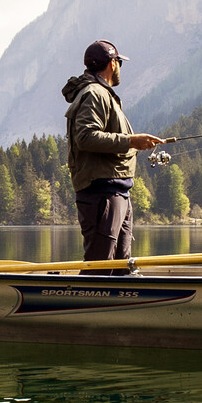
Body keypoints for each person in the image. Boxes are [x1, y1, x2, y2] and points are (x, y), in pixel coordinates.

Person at [63, 39, 163, 274]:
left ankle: (121, 305)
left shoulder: (100, 93)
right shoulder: (94, 94)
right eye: (119, 62)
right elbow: (85, 137)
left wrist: (133, 142)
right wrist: (131, 141)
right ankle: (86, 307)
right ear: (111, 63)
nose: (119, 67)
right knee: (100, 265)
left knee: (121, 266)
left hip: (116, 191)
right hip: (101, 193)